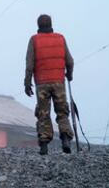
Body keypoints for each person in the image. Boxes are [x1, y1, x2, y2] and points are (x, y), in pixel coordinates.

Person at [24, 14, 74, 155]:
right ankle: (65, 139)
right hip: (59, 82)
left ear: (38, 25)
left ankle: (44, 145)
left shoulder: (34, 40)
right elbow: (70, 61)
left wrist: (27, 82)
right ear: (51, 24)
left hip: (42, 83)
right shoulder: (60, 38)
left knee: (43, 113)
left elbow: (29, 64)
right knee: (62, 112)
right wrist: (69, 75)